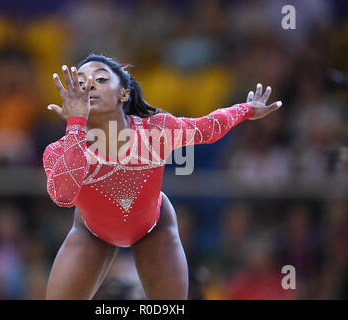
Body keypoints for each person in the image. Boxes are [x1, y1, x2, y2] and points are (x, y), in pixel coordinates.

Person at [43, 54, 282, 299]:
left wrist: (246, 109)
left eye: (101, 79)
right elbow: (63, 196)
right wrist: (75, 125)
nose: (89, 85)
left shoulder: (155, 130)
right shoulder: (58, 151)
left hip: (154, 228)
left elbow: (206, 128)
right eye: (80, 82)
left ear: (124, 93)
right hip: (91, 232)